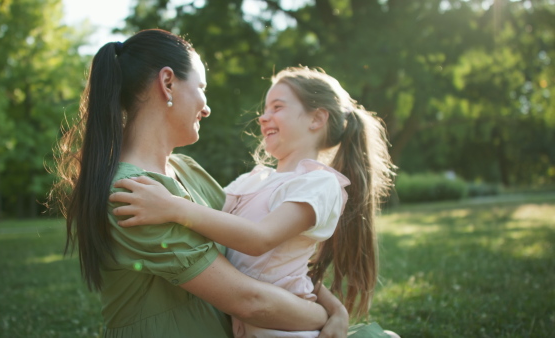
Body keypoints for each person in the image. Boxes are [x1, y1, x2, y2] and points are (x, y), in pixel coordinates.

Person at [51, 29, 351, 338]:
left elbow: (266, 256)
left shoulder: (186, 170)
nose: (206, 108)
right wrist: (325, 315)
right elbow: (249, 301)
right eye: (202, 88)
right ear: (168, 84)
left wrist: (335, 308)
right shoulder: (131, 194)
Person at [110, 67, 398, 337]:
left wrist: (173, 207)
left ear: (316, 119)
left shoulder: (319, 184)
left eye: (278, 107)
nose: (263, 117)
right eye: (265, 109)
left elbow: (261, 240)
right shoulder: (252, 180)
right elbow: (214, 227)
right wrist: (335, 308)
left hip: (290, 330)